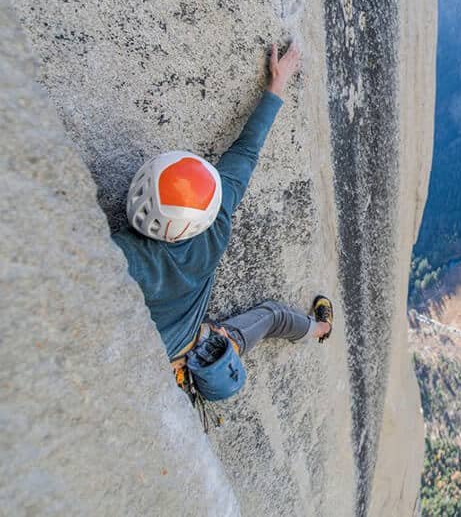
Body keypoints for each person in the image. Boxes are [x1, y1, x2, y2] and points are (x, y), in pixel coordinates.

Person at [111, 42, 333, 402]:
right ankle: (321, 328)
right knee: (274, 316)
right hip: (197, 346)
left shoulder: (125, 256)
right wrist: (277, 86)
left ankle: (321, 328)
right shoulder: (214, 226)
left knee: (274, 315)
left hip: (159, 354)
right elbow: (246, 151)